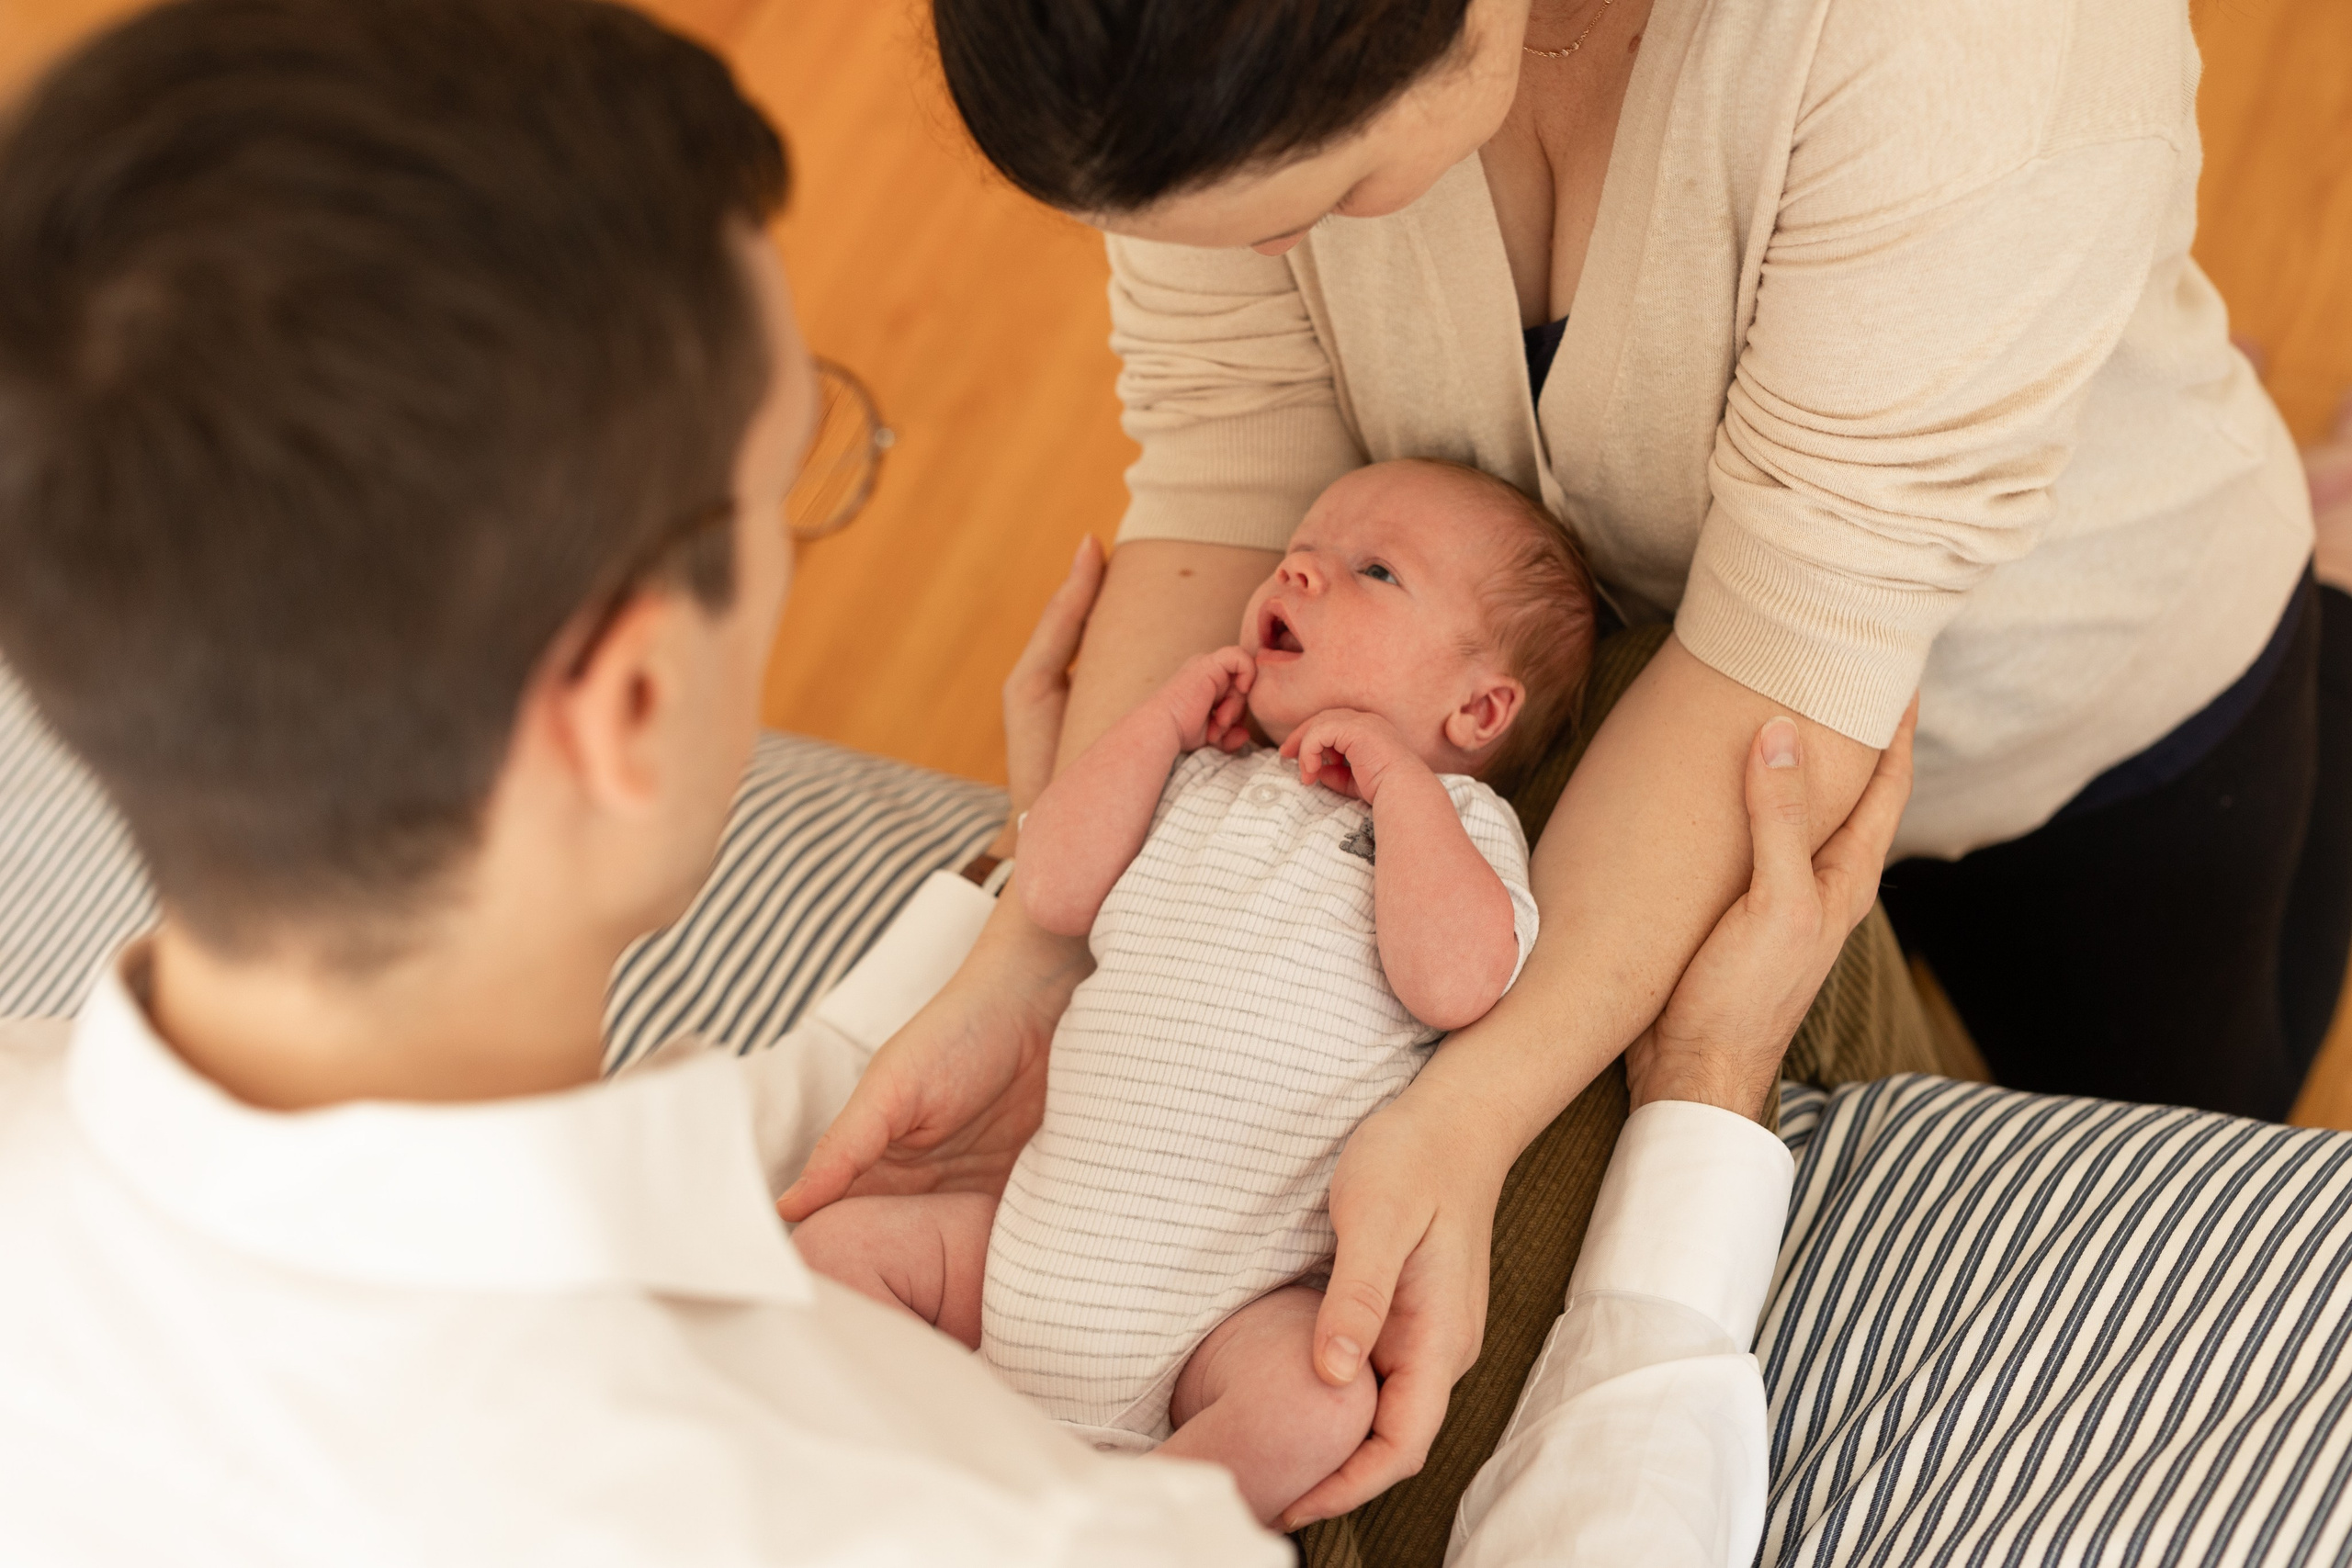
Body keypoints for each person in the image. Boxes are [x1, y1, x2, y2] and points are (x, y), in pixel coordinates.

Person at [0, 2, 1913, 1563]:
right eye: (791, 494)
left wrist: (1014, 920)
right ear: (636, 697)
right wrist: (1698, 1100)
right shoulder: (991, 1519)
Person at [779, 0, 2345, 1536]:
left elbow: (1784, 652)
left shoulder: (1956, 40)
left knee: (2180, 1115)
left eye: (1322, 206)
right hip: (1616, 730)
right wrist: (1036, 962)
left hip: (2075, 709)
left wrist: (1470, 1116)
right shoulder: (1184, 44)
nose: (1272, 262)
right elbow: (1228, 443)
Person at [795, 460, 1586, 1520]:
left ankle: (1114, 1529)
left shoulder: (1452, 829)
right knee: (832, 1250)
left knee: (1320, 1399)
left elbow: (1456, 983)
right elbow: (1055, 887)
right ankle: (906, 1460)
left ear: (1478, 708)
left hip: (1218, 1326)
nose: (1299, 570)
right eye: (1297, 550)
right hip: (1016, 1259)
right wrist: (1158, 724)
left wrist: (1398, 783)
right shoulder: (1194, 781)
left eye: (1374, 569)